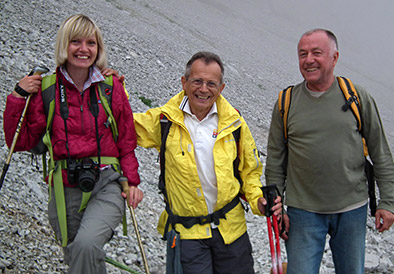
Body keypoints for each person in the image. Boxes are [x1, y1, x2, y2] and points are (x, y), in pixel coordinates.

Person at [3, 14, 143, 274]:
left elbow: (125, 141)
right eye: (75, 41)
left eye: (91, 43)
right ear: (64, 45)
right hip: (64, 186)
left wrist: (132, 181)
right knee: (77, 253)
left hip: (107, 183)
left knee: (87, 245)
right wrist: (18, 96)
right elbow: (19, 142)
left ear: (98, 49)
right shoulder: (47, 89)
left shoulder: (111, 87)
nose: (84, 49)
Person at [133, 51, 282, 274]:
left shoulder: (235, 123)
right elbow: (122, 123)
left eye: (211, 83)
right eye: (197, 81)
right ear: (184, 83)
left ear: (221, 88)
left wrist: (258, 201)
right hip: (187, 232)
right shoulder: (164, 120)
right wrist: (113, 87)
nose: (203, 89)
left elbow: (249, 173)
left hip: (231, 229)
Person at [265, 28, 394, 274]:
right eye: (302, 54)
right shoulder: (286, 102)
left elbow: (380, 152)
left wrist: (388, 202)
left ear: (334, 58)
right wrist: (277, 206)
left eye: (317, 53)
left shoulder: (357, 97)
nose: (309, 60)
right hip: (302, 212)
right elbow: (275, 158)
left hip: (352, 209)